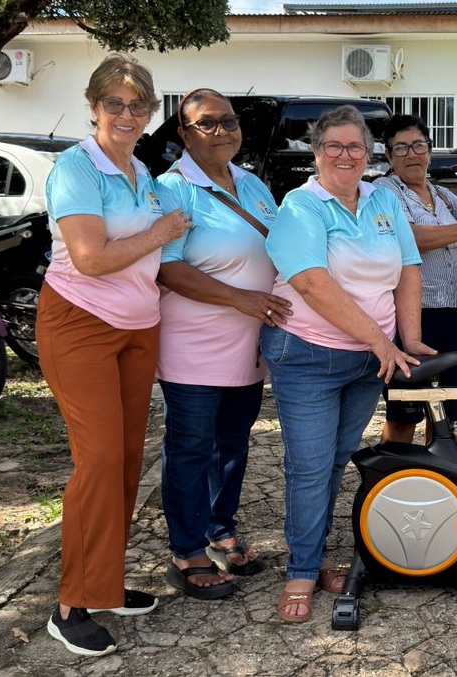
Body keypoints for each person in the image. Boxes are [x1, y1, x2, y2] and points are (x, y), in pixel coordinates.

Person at [38, 53, 191, 657]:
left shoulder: (139, 170)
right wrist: (160, 233)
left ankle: (102, 583)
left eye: (137, 105)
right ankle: (70, 604)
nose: (126, 114)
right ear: (94, 106)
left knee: (127, 461)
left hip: (137, 328)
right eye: (114, 104)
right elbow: (91, 258)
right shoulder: (76, 168)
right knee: (99, 461)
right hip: (80, 325)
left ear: (150, 113)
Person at [262, 104, 432, 623]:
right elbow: (313, 283)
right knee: (310, 467)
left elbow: (406, 268)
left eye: (354, 146)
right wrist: (383, 344)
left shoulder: (381, 198)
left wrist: (410, 339)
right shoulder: (301, 206)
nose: (344, 155)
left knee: (336, 461)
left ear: (368, 153)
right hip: (308, 355)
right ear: (317, 153)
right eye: (333, 146)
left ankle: (315, 557)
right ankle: (301, 568)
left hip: (365, 360)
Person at [153, 89, 292, 600]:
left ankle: (218, 530)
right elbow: (167, 267)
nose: (221, 130)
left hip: (251, 341)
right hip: (194, 343)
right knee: (190, 448)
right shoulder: (172, 189)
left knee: (232, 446)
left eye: (228, 121)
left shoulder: (253, 184)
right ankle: (185, 551)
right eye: (206, 123)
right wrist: (239, 298)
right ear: (184, 134)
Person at [373, 114, 457, 444]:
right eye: (401, 147)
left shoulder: (442, 194)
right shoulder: (383, 191)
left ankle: (435, 482)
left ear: (430, 150)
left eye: (419, 145)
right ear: (388, 156)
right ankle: (391, 480)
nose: (412, 154)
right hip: (414, 317)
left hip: (455, 314)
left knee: (445, 412)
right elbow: (406, 237)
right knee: (404, 411)